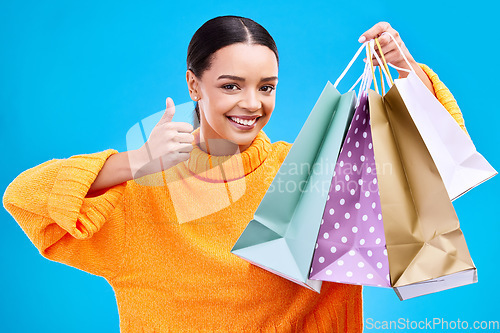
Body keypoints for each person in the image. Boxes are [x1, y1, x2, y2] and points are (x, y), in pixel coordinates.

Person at [2, 15, 467, 332]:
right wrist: (134, 163)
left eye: (266, 87)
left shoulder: (310, 169)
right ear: (193, 85)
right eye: (231, 86)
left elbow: (429, 172)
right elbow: (24, 197)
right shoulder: (142, 195)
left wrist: (406, 72)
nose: (251, 103)